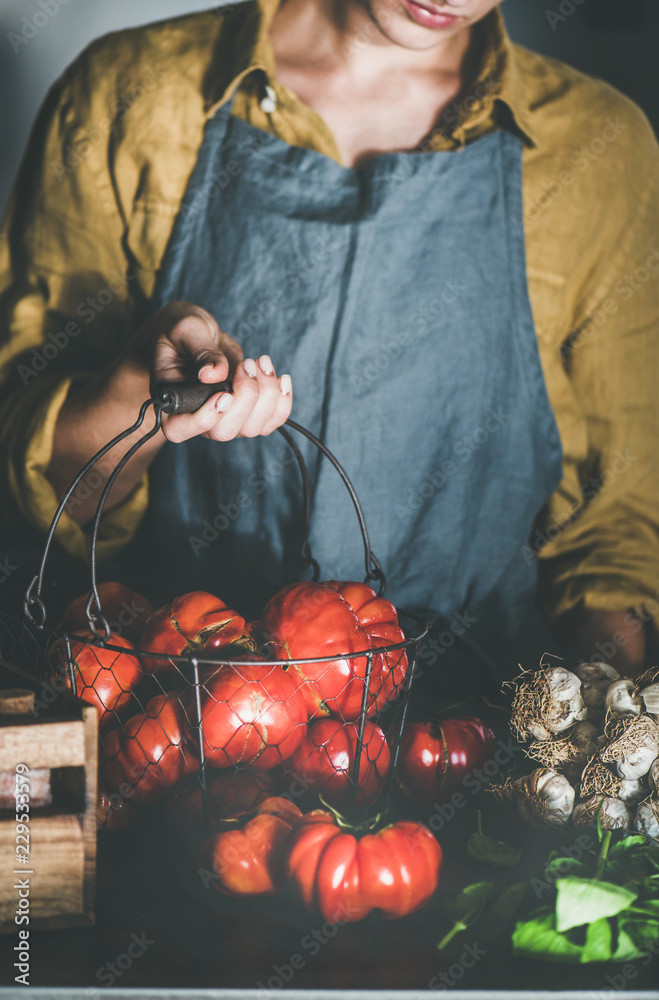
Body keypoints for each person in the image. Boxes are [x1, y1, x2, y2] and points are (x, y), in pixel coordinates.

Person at [0, 0, 657, 678]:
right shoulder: (127, 92)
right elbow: (42, 503)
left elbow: (612, 547)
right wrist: (141, 384)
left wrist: (610, 750)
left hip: (480, 730)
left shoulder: (600, 148)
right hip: (174, 717)